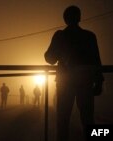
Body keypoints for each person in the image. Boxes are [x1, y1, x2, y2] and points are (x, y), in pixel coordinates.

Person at [44, 6, 104, 141]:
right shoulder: (89, 37)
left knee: (63, 120)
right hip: (85, 83)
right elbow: (96, 61)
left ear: (65, 19)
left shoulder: (60, 36)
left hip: (65, 83)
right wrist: (99, 82)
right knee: (88, 119)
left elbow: (50, 59)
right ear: (79, 18)